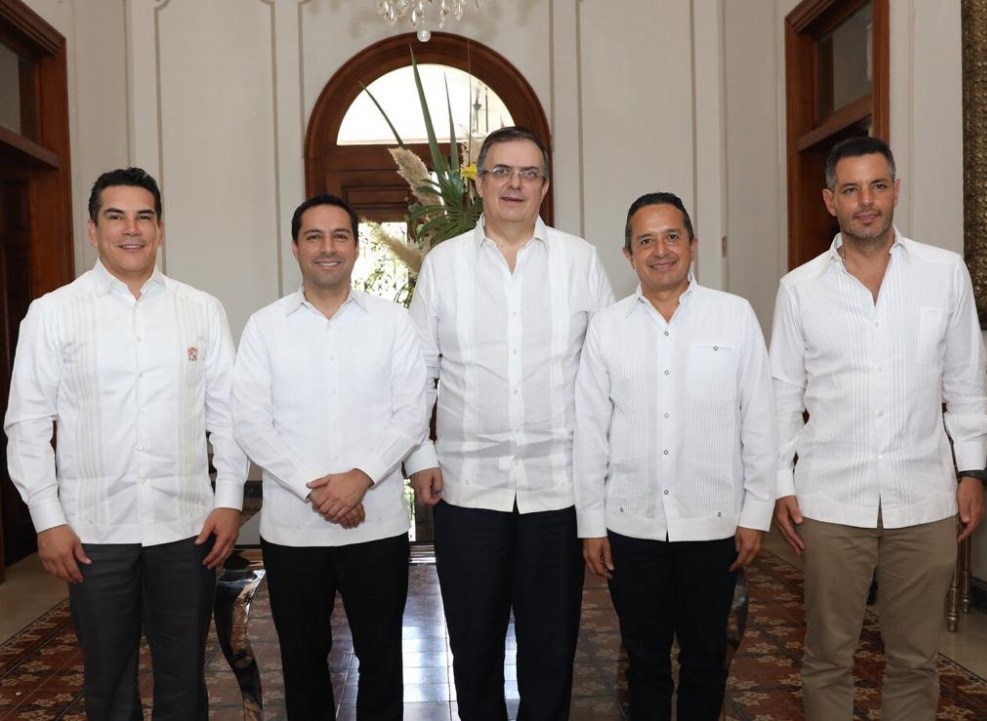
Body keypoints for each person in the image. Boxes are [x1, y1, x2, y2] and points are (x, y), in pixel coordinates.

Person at [3, 167, 248, 721]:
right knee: (108, 684)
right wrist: (47, 518)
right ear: (93, 230)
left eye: (144, 217)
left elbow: (229, 415)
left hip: (185, 528)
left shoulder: (201, 309)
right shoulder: (52, 313)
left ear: (160, 229)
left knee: (185, 680)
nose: (131, 229)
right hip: (93, 532)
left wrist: (229, 498)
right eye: (116, 217)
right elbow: (27, 424)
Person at [770, 136, 987, 720]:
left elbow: (965, 384)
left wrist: (972, 471)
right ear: (830, 201)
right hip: (830, 501)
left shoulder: (944, 274)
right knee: (827, 658)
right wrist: (781, 483)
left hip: (924, 497)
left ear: (896, 191)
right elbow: (780, 397)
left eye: (876, 186)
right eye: (850, 189)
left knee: (916, 660)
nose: (865, 201)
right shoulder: (799, 289)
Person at [406, 125, 615, 720]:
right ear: (479, 183)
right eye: (501, 171)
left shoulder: (580, 261)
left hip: (557, 491)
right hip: (467, 490)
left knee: (552, 651)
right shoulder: (443, 265)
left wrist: (601, 479)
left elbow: (605, 375)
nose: (514, 184)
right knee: (473, 649)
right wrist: (420, 455)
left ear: (545, 186)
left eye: (528, 173)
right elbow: (417, 373)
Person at [573, 192, 776, 720]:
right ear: (628, 254)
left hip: (713, 525)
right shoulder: (607, 327)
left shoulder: (734, 316)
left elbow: (759, 418)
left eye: (671, 237)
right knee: (644, 665)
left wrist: (756, 513)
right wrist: (591, 523)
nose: (660, 251)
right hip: (631, 526)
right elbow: (590, 432)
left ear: (693, 244)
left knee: (707, 661)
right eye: (646, 241)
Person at [232, 193, 426, 721]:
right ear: (295, 247)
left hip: (377, 525)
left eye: (340, 236)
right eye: (314, 236)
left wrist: (360, 477)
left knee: (382, 660)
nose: (327, 247)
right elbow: (250, 421)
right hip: (294, 531)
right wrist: (314, 488)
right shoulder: (265, 326)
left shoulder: (392, 322)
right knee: (302, 664)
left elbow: (412, 411)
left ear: (356, 248)